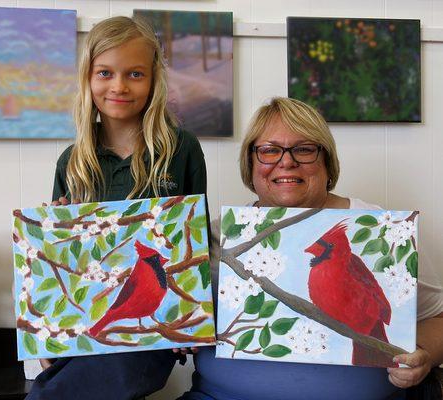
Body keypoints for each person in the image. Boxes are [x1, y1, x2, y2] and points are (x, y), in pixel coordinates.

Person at [178, 97, 443, 400]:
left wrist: (422, 354)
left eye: (304, 149)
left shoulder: (382, 232)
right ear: (250, 164)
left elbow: (439, 319)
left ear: (327, 162)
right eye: (269, 150)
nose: (286, 161)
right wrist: (182, 332)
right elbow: (181, 323)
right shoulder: (213, 234)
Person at [26, 15, 207, 400]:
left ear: (154, 79)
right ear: (87, 78)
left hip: (149, 337)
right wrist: (56, 227)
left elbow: (198, 241)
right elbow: (62, 260)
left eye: (135, 74)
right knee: (52, 383)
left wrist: (188, 316)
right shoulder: (72, 161)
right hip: (84, 325)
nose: (119, 86)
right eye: (105, 73)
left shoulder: (181, 149)